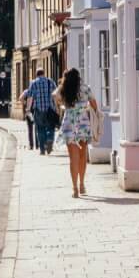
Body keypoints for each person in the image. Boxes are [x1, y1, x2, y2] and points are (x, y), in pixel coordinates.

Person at [54, 68, 98, 198]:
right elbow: (94, 104)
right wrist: (88, 108)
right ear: (79, 77)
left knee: (73, 158)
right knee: (82, 156)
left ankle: (74, 189)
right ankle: (82, 184)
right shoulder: (85, 88)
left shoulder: (63, 89)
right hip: (83, 124)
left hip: (69, 124)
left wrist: (62, 105)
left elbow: (55, 96)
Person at [26, 68, 58, 155]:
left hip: (38, 109)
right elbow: (55, 95)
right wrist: (57, 108)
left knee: (40, 129)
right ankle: (49, 140)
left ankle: (42, 149)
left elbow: (30, 97)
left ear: (36, 74)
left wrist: (28, 109)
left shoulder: (33, 83)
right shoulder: (50, 81)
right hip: (50, 109)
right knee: (50, 127)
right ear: (44, 73)